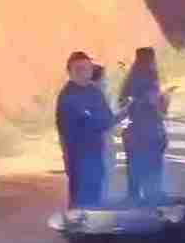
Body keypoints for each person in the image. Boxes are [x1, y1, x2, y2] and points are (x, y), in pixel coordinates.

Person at [57, 51, 114, 208]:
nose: (84, 73)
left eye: (87, 68)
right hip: (77, 154)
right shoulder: (67, 96)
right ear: (69, 72)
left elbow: (107, 119)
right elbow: (65, 130)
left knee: (96, 191)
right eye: (79, 69)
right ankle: (76, 227)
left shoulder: (95, 92)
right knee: (79, 195)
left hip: (96, 151)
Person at [114, 48, 170, 204]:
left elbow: (122, 105)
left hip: (133, 134)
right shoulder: (152, 80)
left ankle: (133, 202)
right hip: (152, 133)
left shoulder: (129, 81)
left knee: (134, 172)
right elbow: (160, 110)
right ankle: (151, 204)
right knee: (153, 173)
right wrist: (165, 99)